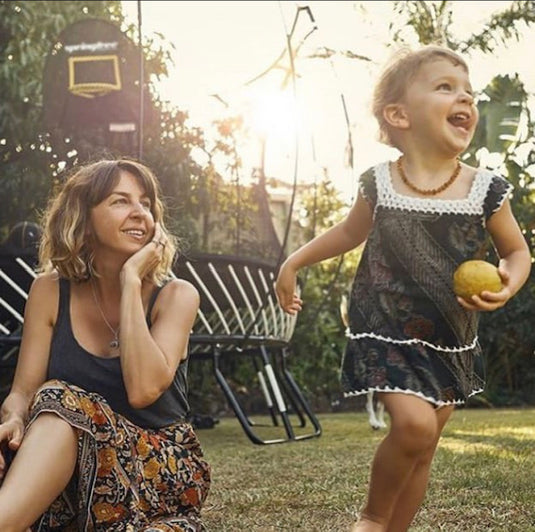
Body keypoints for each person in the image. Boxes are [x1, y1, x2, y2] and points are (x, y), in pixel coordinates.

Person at [275, 45, 531, 532]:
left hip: (450, 335)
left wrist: (507, 284)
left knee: (424, 446)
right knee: (412, 426)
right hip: (384, 328)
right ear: (399, 114)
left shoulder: (487, 189)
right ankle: (372, 518)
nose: (465, 99)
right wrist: (294, 261)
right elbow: (349, 234)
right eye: (445, 87)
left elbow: (516, 253)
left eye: (468, 92)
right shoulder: (380, 182)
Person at [0, 159, 211, 531]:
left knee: (60, 398)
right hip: (73, 474)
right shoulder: (49, 291)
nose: (139, 213)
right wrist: (14, 418)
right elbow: (23, 392)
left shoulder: (176, 296)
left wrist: (131, 280)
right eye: (120, 201)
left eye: (146, 203)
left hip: (158, 470)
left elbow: (144, 389)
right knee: (49, 404)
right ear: (83, 216)